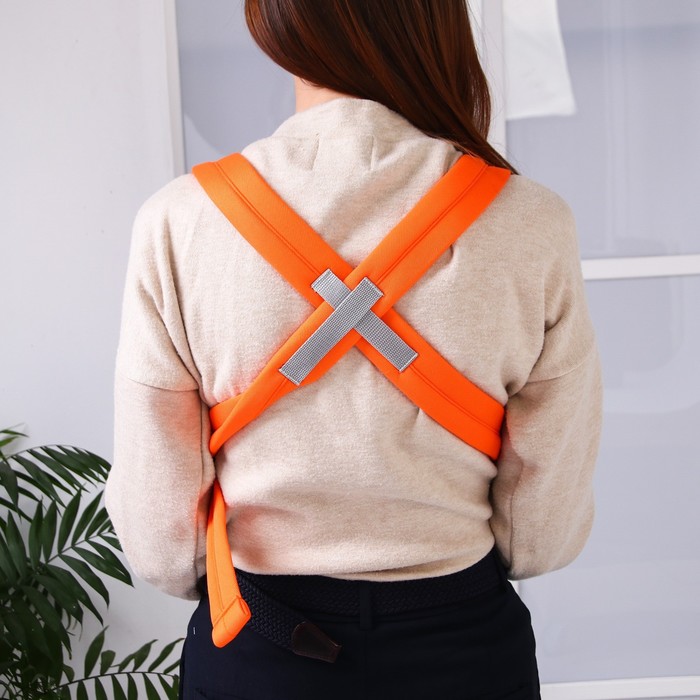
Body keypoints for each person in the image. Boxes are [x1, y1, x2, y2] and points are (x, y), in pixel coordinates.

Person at [105, 1, 603, 698]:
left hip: (260, 644)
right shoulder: (531, 220)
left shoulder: (178, 221)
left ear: (276, 25)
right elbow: (542, 528)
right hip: (462, 648)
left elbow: (161, 537)